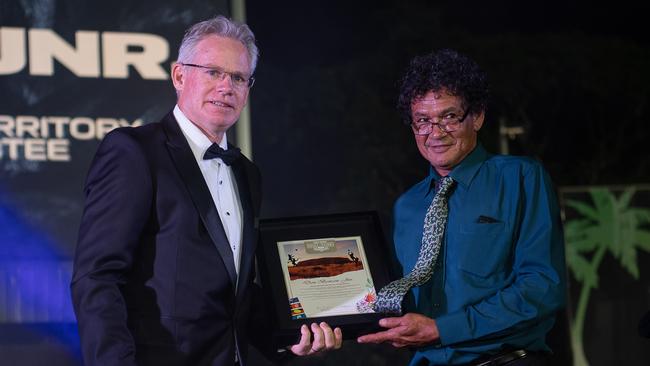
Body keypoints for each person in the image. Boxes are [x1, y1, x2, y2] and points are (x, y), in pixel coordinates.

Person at [71, 15, 341, 366]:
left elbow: (235, 294)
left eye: (239, 77)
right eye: (213, 72)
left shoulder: (246, 173)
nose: (226, 87)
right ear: (179, 75)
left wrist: (294, 336)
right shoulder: (135, 151)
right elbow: (97, 277)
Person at [357, 49, 566, 365]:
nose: (436, 132)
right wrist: (325, 321)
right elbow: (394, 299)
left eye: (449, 117)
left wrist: (442, 329)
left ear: (477, 116)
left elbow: (542, 287)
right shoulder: (408, 205)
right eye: (423, 120)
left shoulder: (520, 178)